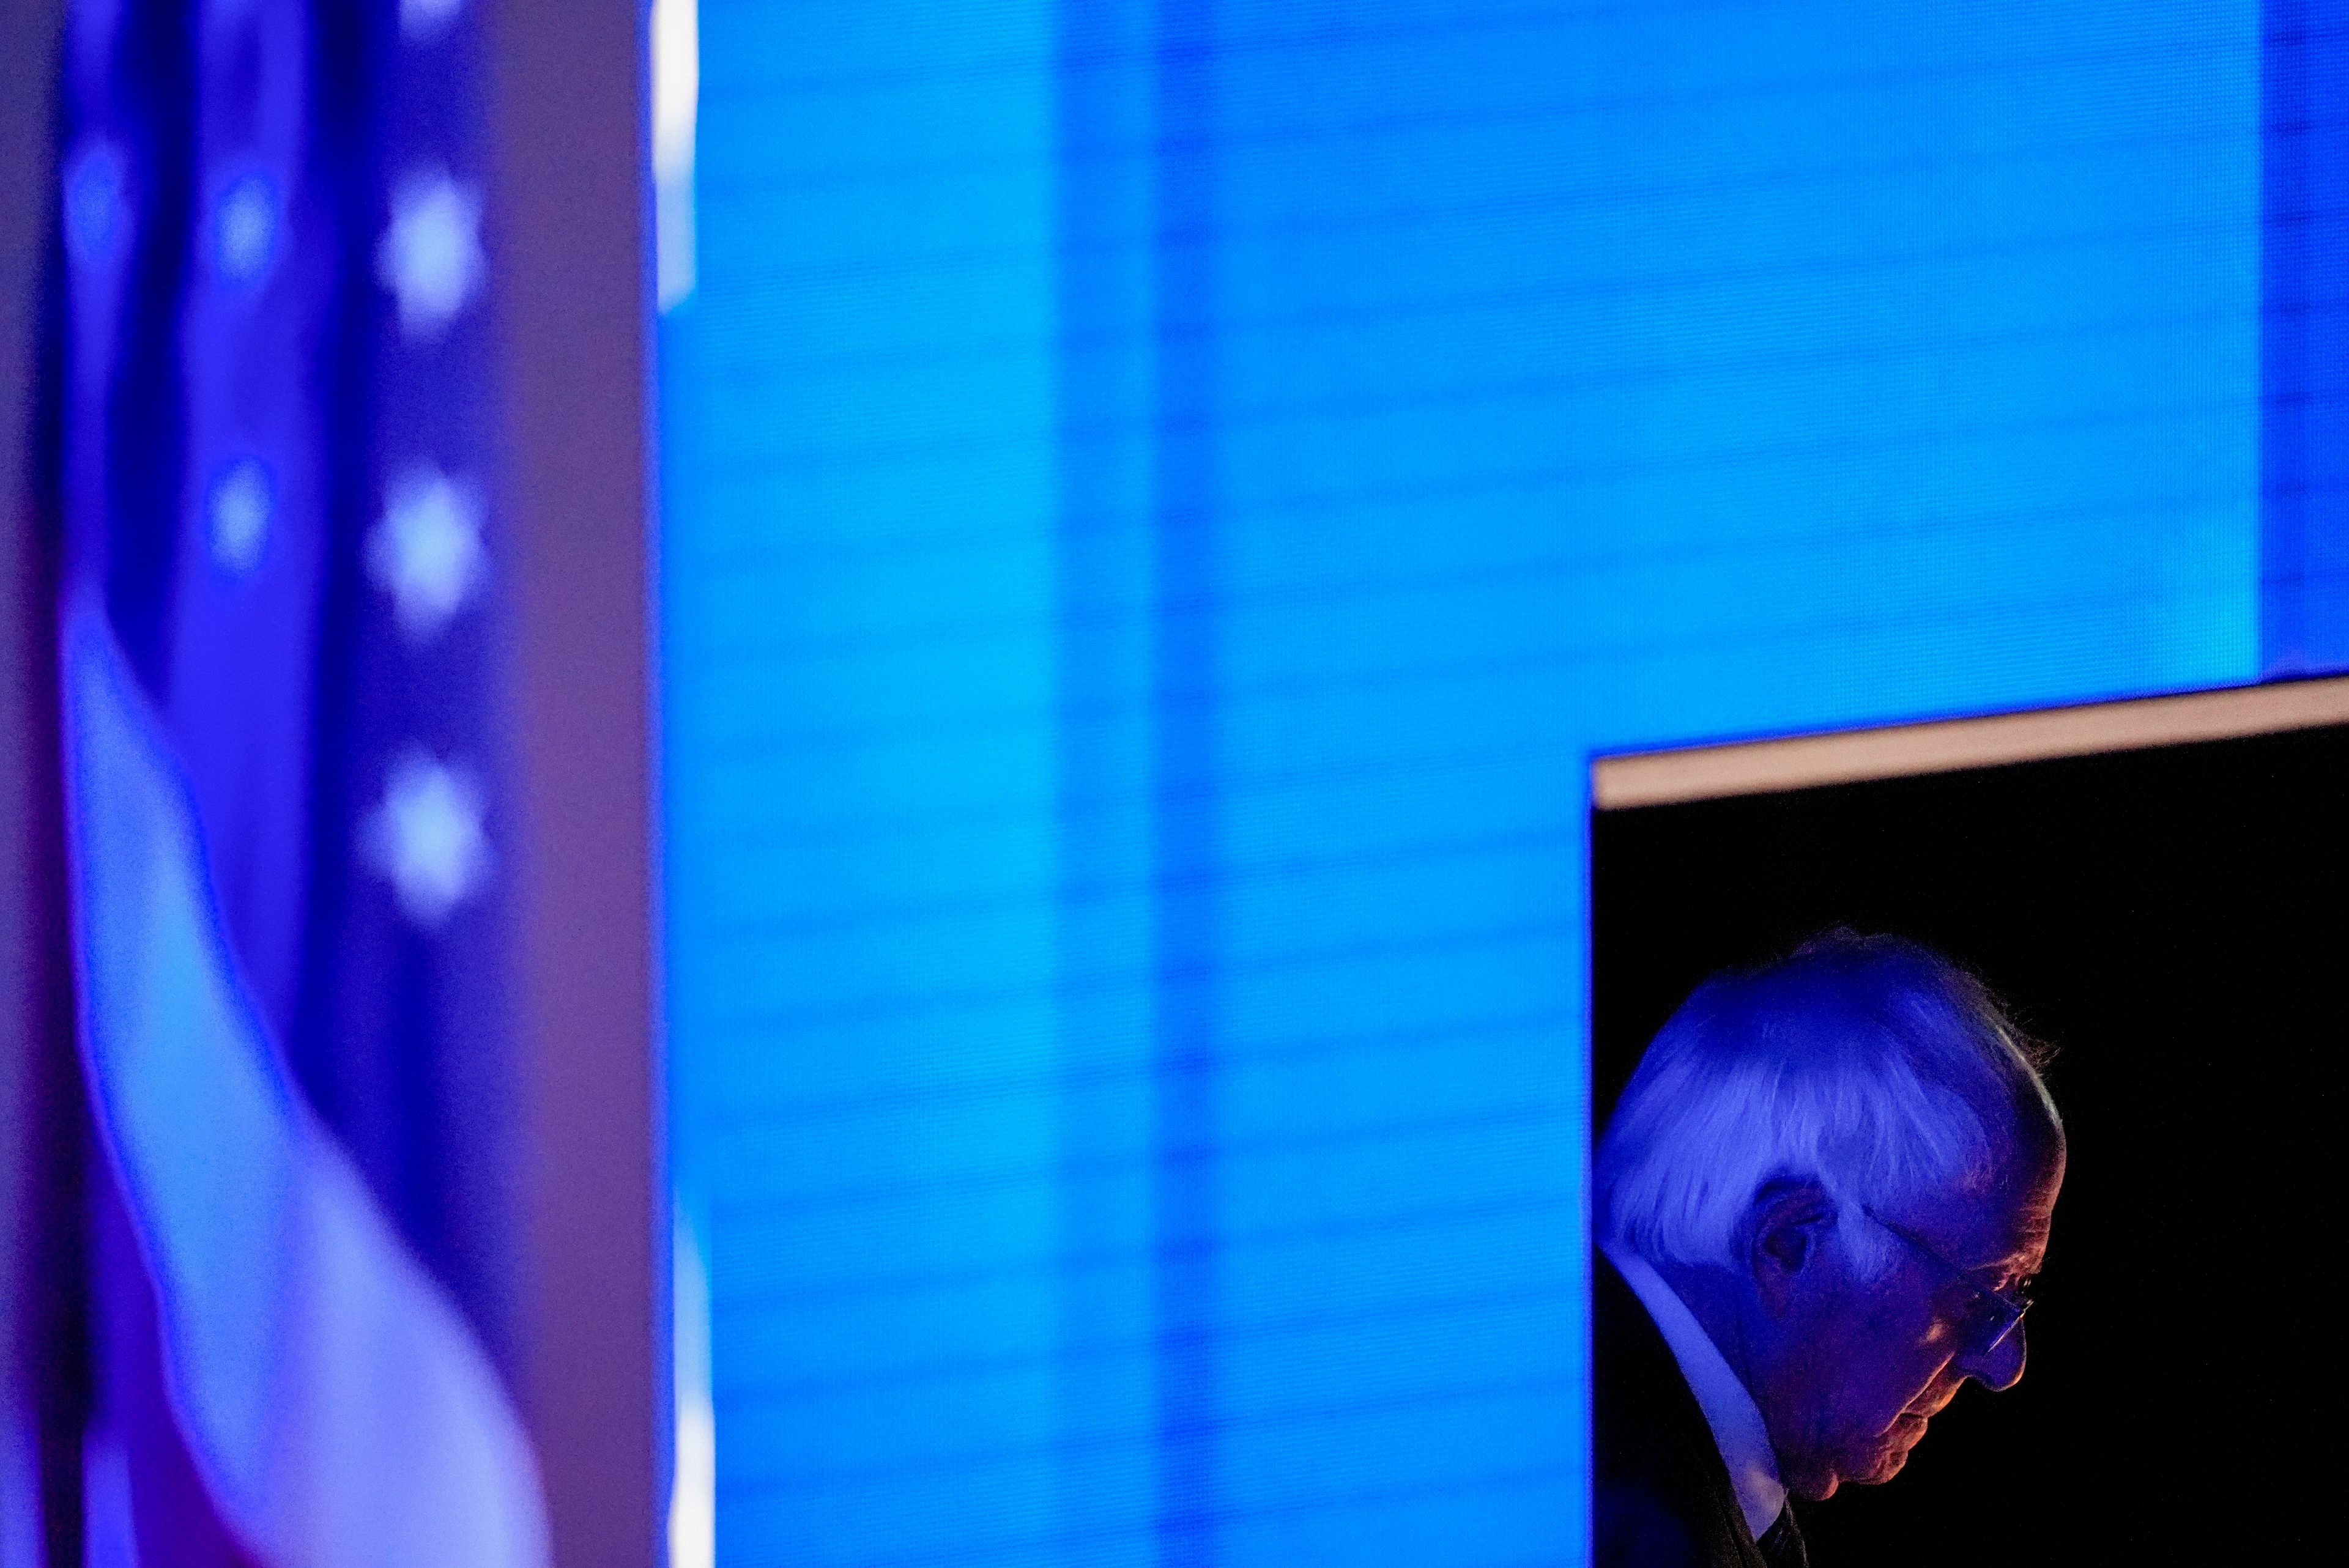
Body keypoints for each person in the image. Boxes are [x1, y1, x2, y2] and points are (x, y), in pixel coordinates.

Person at [1592, 930, 2063, 1568]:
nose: (2005, 1364)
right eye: (1980, 1294)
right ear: (1787, 1245)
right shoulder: (1622, 1525)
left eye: (2017, 1298)